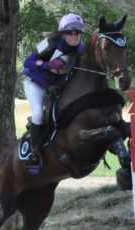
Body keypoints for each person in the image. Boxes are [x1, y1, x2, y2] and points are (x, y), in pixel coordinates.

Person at [20, 13, 85, 172]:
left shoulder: (81, 49)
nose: (75, 36)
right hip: (36, 83)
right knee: (38, 114)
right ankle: (34, 154)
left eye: (78, 32)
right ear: (62, 33)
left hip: (57, 87)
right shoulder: (49, 42)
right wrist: (47, 64)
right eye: (71, 32)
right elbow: (27, 62)